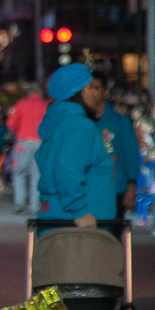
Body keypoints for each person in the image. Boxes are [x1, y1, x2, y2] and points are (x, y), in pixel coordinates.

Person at [35, 63, 115, 227]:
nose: (96, 93)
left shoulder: (61, 122)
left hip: (59, 218)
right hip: (76, 229)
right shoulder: (78, 126)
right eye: (91, 87)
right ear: (75, 92)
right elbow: (67, 169)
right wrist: (80, 211)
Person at [96, 85, 142, 220]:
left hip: (116, 188)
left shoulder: (122, 122)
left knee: (112, 234)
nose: (93, 93)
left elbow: (131, 154)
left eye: (96, 87)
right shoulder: (81, 122)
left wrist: (131, 185)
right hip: (89, 190)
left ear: (105, 92)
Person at [6, 82, 49, 214]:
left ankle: (19, 203)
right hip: (40, 143)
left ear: (28, 93)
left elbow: (10, 124)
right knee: (36, 174)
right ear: (40, 93)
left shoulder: (21, 104)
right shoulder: (46, 106)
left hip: (23, 142)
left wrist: (20, 128)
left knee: (19, 173)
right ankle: (34, 205)